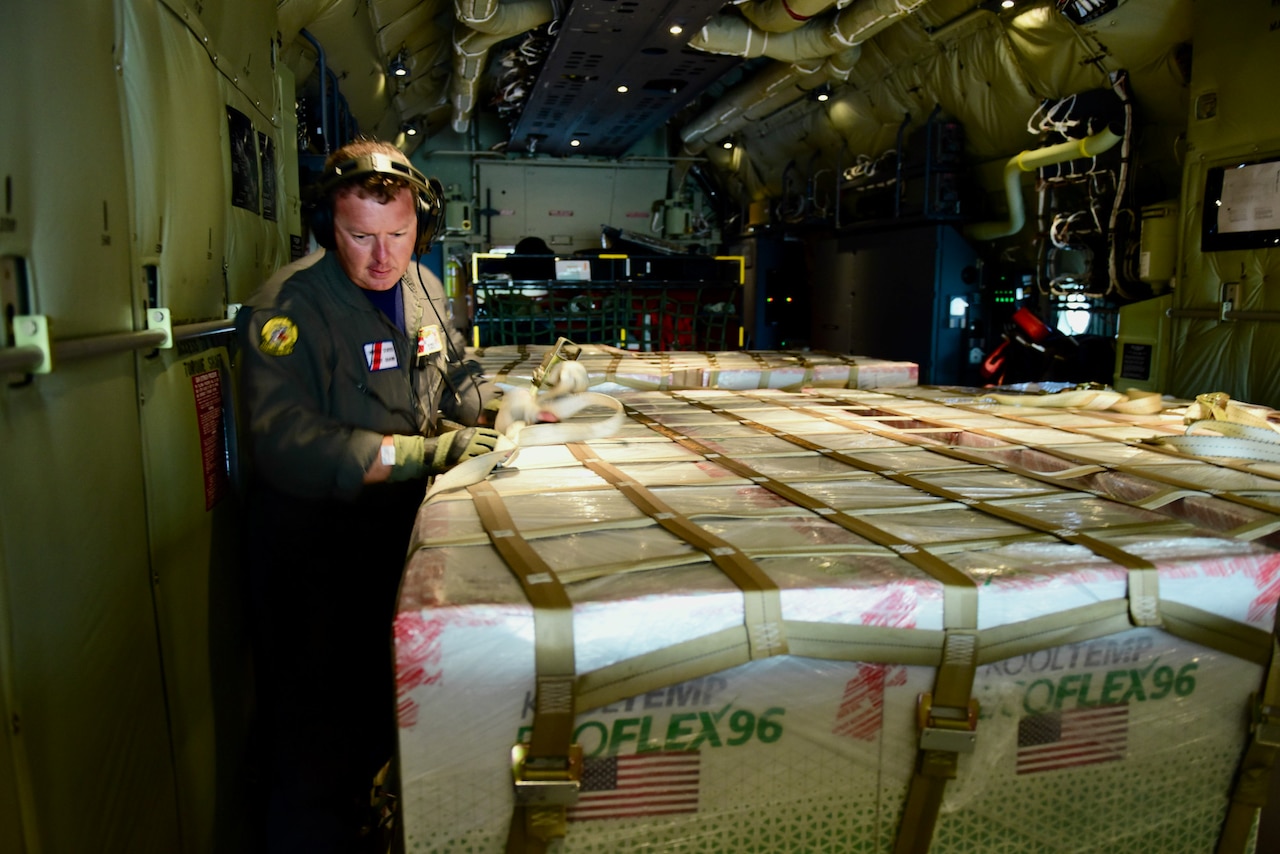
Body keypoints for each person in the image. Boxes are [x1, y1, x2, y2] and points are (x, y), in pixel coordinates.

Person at [236, 138, 502, 853]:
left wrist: (495, 407)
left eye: (399, 235)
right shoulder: (286, 309)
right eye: (361, 237)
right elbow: (287, 444)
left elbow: (455, 371)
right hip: (312, 550)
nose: (383, 258)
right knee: (315, 738)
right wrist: (425, 452)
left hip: (395, 536)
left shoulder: (424, 288)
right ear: (329, 228)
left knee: (387, 713)